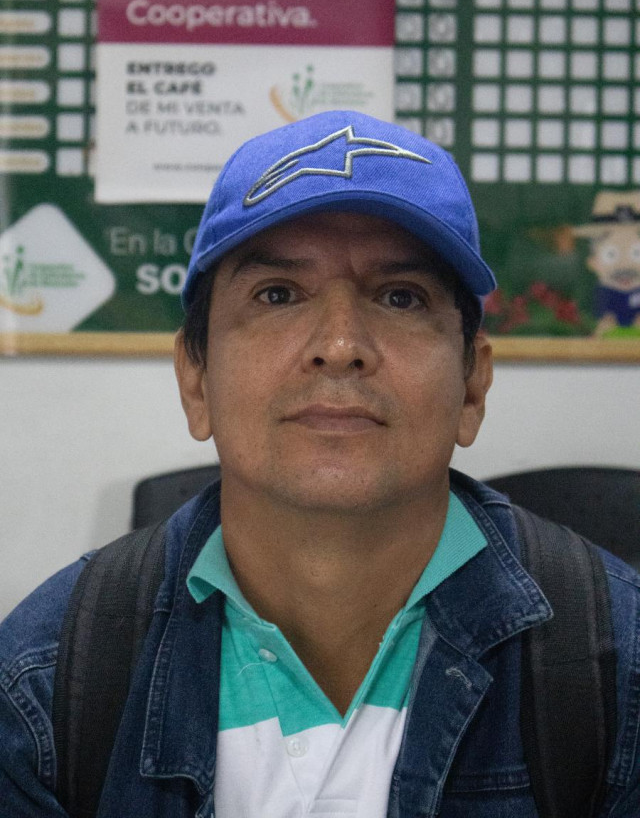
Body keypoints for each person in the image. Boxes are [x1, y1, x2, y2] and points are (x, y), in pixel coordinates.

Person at [1, 110, 639, 818]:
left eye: (401, 297)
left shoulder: (619, 671)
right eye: (277, 294)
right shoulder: (43, 683)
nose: (339, 346)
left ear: (472, 386)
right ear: (195, 380)